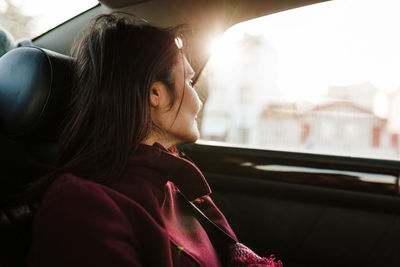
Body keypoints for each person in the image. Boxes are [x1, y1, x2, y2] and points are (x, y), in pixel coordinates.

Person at [28, 13, 282, 267]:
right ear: (155, 93)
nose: (199, 99)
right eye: (190, 80)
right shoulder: (80, 207)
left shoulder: (173, 183)